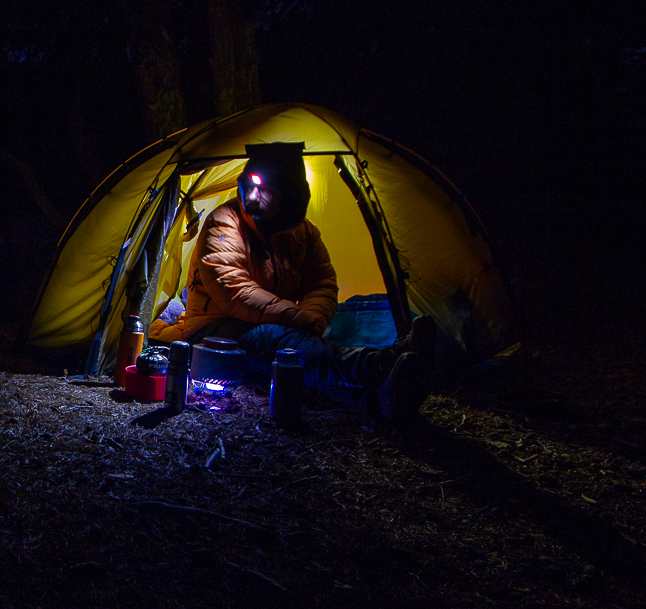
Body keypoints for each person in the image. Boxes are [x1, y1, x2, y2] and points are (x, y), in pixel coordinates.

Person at [149, 142, 433, 419]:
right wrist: (296, 318)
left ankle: (381, 400)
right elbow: (233, 289)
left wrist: (313, 320)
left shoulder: (303, 232)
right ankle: (380, 363)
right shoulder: (223, 222)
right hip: (214, 329)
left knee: (296, 356)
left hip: (278, 324)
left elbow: (322, 283)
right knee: (279, 343)